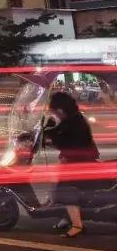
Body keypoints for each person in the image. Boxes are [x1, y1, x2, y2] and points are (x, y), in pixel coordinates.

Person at [44, 91, 100, 238]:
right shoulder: (72, 118)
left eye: (55, 112)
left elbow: (68, 143)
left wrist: (52, 140)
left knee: (64, 189)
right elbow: (58, 131)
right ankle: (67, 217)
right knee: (56, 182)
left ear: (61, 110)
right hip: (74, 159)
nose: (55, 115)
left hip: (82, 162)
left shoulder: (77, 123)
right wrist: (46, 131)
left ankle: (77, 225)